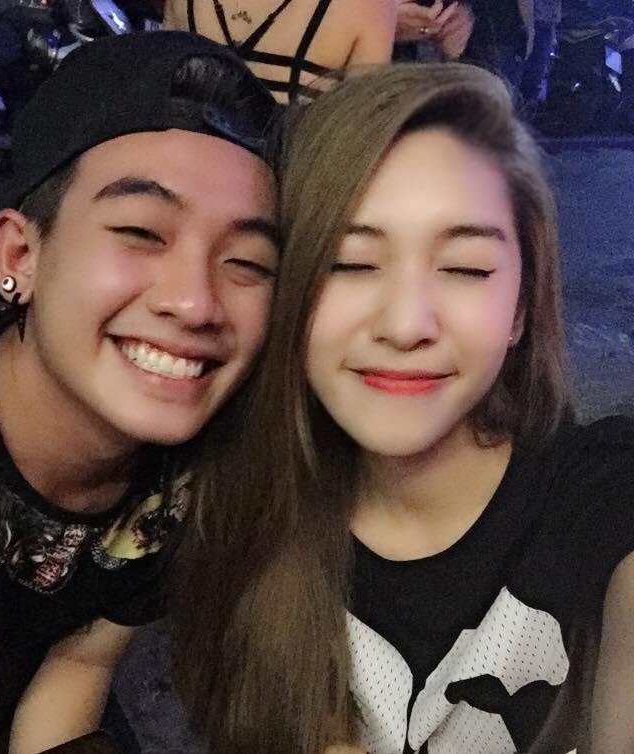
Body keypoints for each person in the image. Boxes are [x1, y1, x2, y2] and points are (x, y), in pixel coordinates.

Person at [171, 62, 634, 754]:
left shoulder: (596, 498)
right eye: (352, 263)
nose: (406, 323)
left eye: (466, 268)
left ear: (520, 308)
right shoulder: (228, 501)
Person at [0, 30, 279, 754]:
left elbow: (79, 658)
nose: (195, 303)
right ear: (21, 254)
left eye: (247, 261)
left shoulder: (196, 472)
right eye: (141, 231)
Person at [163, 0, 398, 103]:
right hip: (295, 182)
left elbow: (159, 87)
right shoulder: (371, 6)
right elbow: (363, 136)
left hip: (185, 176)